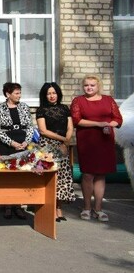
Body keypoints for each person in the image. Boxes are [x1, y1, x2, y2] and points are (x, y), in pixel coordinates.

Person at [70, 75, 123, 222]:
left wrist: (109, 124)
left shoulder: (108, 100)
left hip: (105, 142)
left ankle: (98, 209)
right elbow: (76, 120)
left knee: (101, 175)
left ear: (98, 86)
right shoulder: (78, 101)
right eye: (86, 85)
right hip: (87, 142)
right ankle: (87, 207)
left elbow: (118, 119)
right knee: (88, 175)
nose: (89, 87)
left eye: (92, 85)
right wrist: (99, 124)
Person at [0, 82, 36, 219]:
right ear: (8, 94)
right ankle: (7, 206)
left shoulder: (24, 107)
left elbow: (30, 126)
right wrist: (12, 143)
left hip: (23, 142)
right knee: (7, 176)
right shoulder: (0, 108)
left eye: (20, 93)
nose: (19, 96)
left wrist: (26, 142)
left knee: (20, 175)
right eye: (16, 93)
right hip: (7, 144)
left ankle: (18, 205)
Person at [35, 82, 75, 222]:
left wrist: (65, 142)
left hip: (63, 144)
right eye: (49, 93)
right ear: (45, 95)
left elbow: (70, 127)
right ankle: (49, 208)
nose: (52, 96)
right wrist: (63, 139)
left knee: (62, 176)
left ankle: (59, 208)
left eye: (54, 93)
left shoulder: (64, 108)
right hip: (48, 145)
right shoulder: (41, 110)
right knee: (50, 176)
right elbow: (43, 130)